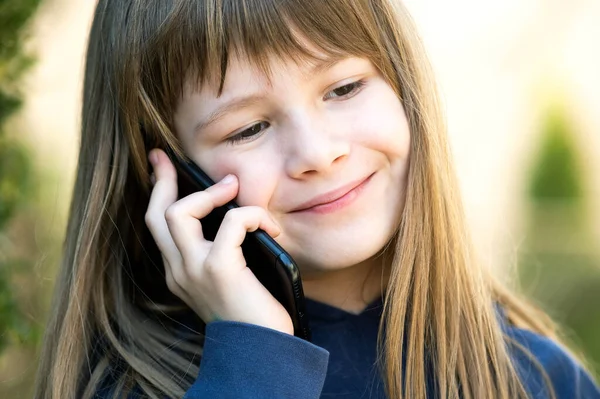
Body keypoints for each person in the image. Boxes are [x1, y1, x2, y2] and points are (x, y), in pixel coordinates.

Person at [33, 0, 600, 398]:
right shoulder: (131, 387)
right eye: (248, 128)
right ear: (172, 182)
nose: (318, 152)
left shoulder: (540, 380)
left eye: (345, 88)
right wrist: (255, 365)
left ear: (406, 86)